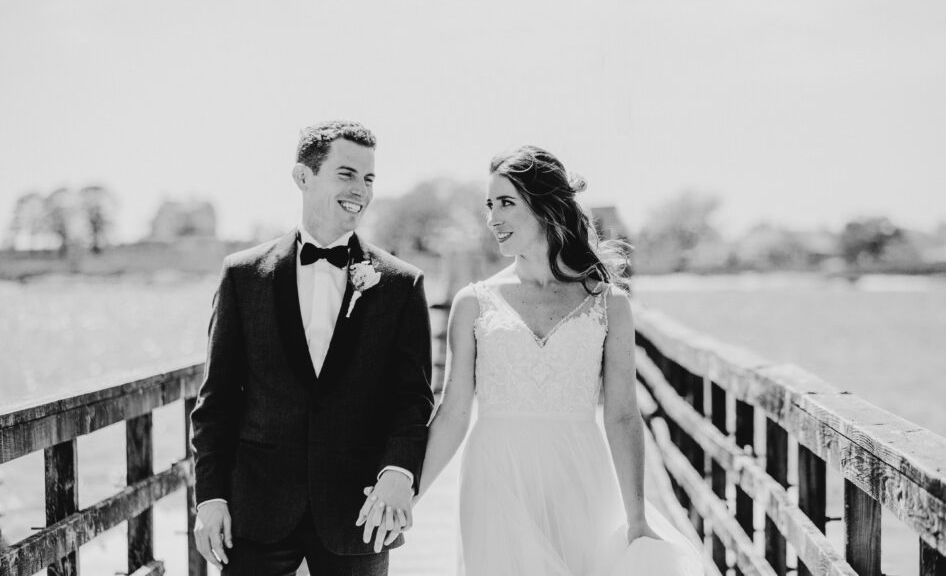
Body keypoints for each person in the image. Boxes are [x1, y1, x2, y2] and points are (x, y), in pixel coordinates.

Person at [415, 145, 704, 576]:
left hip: (579, 477)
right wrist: (411, 495)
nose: (493, 217)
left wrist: (637, 516)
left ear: (546, 207)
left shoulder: (609, 304)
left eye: (507, 203)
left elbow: (623, 415)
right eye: (490, 205)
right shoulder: (473, 303)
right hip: (496, 477)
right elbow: (454, 412)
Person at [189, 121, 435, 575]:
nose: (360, 190)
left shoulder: (402, 284)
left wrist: (399, 473)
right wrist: (211, 497)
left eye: (369, 178)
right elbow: (217, 402)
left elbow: (412, 400)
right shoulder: (242, 276)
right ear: (303, 177)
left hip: (358, 517)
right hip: (255, 515)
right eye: (346, 174)